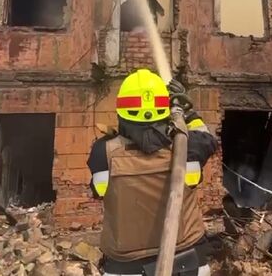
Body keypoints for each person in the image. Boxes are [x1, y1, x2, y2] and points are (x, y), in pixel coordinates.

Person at [87, 69, 217, 276]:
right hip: (189, 260)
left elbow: (99, 192)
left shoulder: (103, 152)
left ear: (121, 111)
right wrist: (188, 113)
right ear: (164, 110)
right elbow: (207, 139)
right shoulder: (189, 145)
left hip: (126, 268)